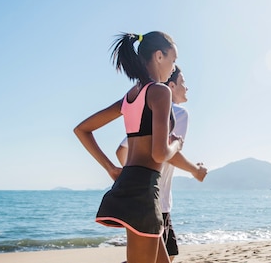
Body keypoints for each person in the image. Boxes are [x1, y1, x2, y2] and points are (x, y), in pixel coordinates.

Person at [74, 31, 184, 263]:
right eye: (173, 60)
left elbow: (82, 130)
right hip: (144, 189)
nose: (173, 68)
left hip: (130, 184)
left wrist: (111, 169)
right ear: (159, 56)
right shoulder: (160, 92)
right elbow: (160, 153)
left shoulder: (130, 97)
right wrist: (175, 144)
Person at [116, 66, 207, 262]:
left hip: (142, 196)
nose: (187, 88)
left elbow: (121, 151)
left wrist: (133, 174)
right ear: (171, 85)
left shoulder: (148, 111)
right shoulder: (179, 113)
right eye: (183, 83)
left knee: (166, 253)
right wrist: (196, 171)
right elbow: (167, 153)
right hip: (155, 200)